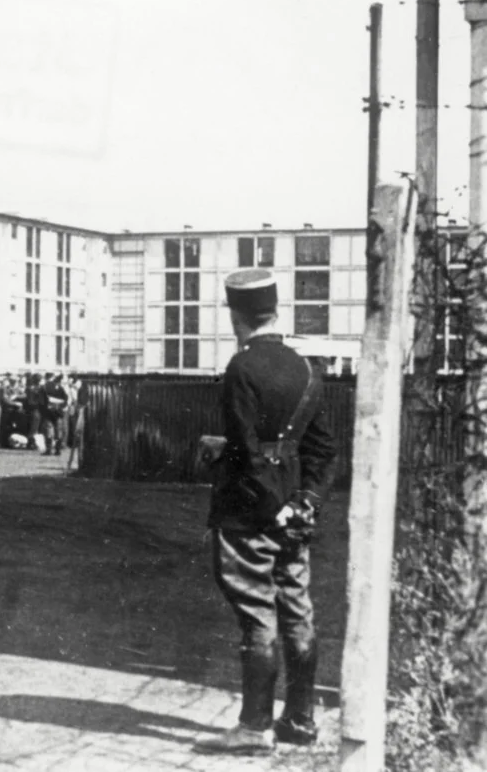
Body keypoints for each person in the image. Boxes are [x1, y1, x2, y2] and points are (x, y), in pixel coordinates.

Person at [194, 269, 336, 756]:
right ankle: (300, 719)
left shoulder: (242, 368)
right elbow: (322, 451)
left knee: (258, 617)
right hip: (295, 513)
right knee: (298, 610)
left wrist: (267, 503)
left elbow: (251, 456)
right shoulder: (306, 368)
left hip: (247, 514)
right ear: (274, 312)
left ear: (236, 316)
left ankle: (254, 729)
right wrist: (302, 506)